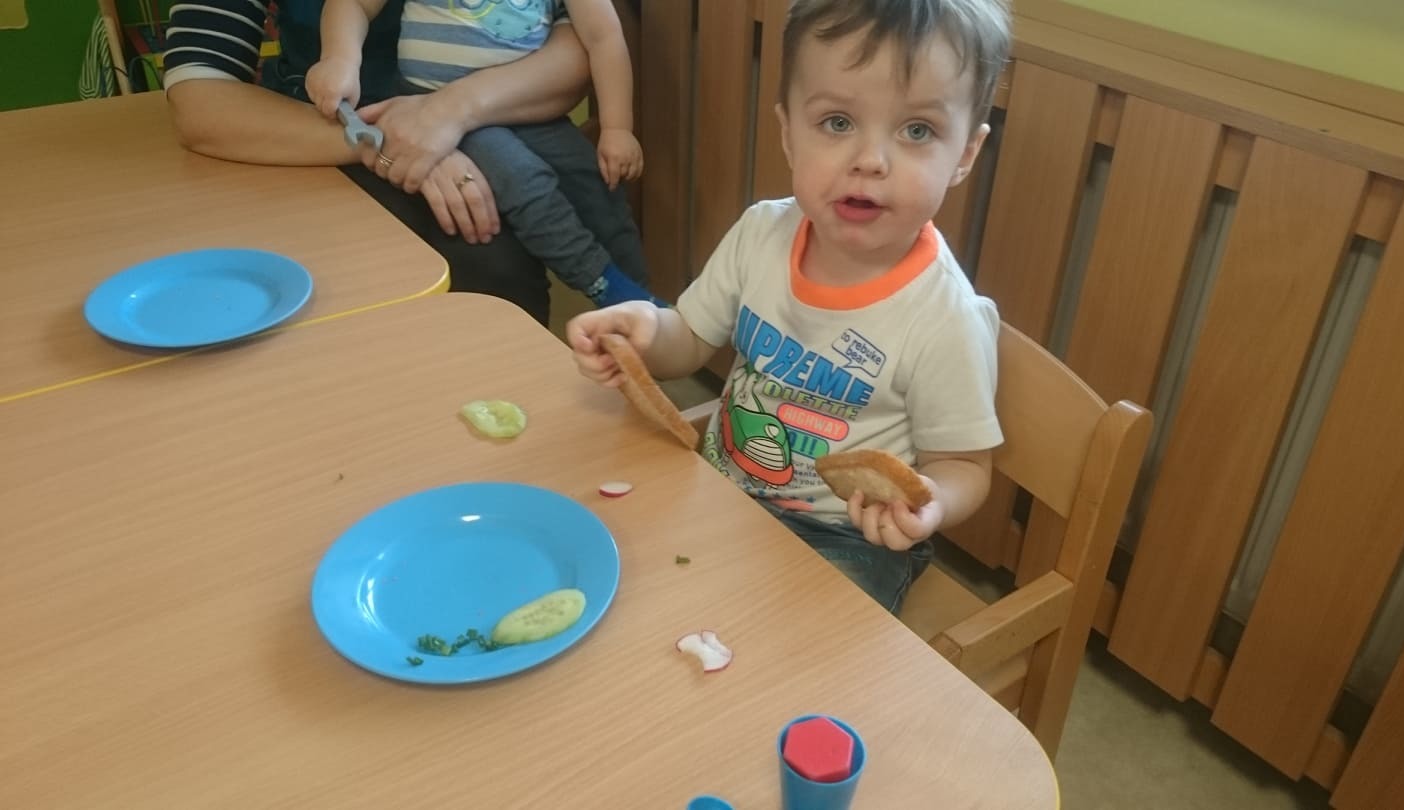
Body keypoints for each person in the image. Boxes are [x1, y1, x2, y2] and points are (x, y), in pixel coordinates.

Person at [566, 0, 1012, 612]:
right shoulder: (761, 235)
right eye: (837, 122)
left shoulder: (946, 318)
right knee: (612, 561)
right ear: (787, 132)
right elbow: (688, 341)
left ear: (964, 154)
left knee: (800, 640)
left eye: (917, 131)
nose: (870, 160)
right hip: (721, 483)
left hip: (844, 536)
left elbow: (964, 465)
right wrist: (646, 330)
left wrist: (931, 501)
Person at [162, 0, 596, 324]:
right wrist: (384, 142)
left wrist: (450, 112)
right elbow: (200, 101)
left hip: (481, 128)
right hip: (317, 137)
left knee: (494, 271)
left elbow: (580, 51)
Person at [307, 0, 661, 308]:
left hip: (528, 107)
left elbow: (604, 37)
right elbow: (355, 4)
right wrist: (340, 58)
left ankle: (645, 307)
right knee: (524, 184)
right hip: (434, 113)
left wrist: (617, 128)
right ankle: (601, 282)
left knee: (594, 183)